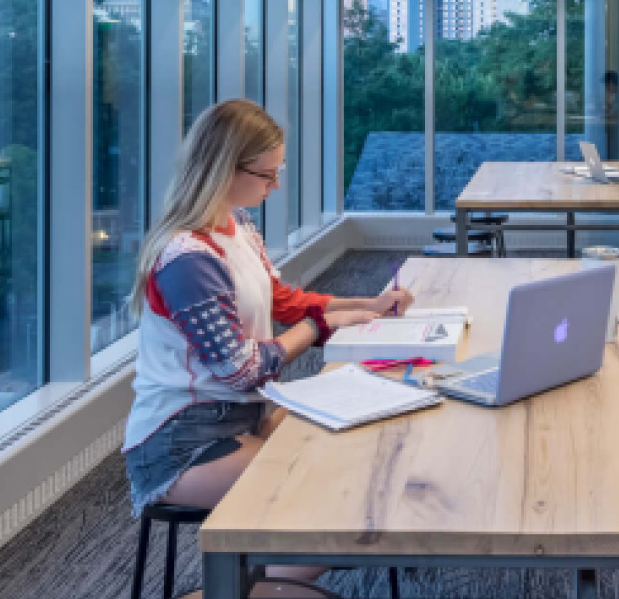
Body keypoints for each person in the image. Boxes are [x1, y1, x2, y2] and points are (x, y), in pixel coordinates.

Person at [121, 100, 413, 562]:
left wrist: (366, 305)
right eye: (267, 175)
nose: (276, 185)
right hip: (183, 442)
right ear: (223, 168)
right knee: (336, 503)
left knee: (360, 449)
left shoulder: (236, 226)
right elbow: (242, 371)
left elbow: (281, 299)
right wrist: (316, 327)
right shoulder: (187, 258)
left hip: (241, 415)